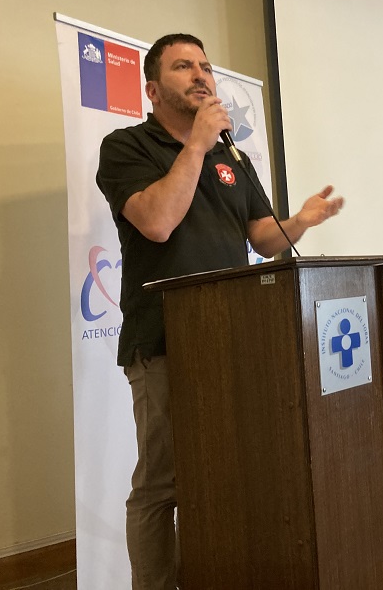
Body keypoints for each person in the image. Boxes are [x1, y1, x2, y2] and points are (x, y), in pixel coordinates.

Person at [96, 33, 344, 590]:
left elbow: (262, 237)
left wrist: (300, 221)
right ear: (153, 89)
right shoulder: (126, 147)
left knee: (226, 474)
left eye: (205, 66)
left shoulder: (232, 155)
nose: (201, 75)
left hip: (233, 338)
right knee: (162, 484)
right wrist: (196, 145)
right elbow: (157, 221)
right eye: (184, 66)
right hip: (162, 339)